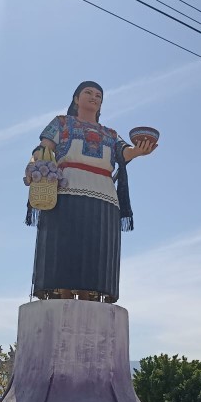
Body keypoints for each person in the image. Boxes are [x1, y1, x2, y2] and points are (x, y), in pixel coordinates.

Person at [26, 81, 157, 303]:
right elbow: (44, 148)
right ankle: (63, 294)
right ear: (76, 98)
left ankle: (92, 296)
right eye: (88, 93)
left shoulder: (110, 133)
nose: (94, 97)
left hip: (104, 196)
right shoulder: (61, 123)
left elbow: (124, 153)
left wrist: (139, 151)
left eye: (99, 95)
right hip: (66, 191)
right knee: (65, 245)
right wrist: (34, 164)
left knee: (98, 249)